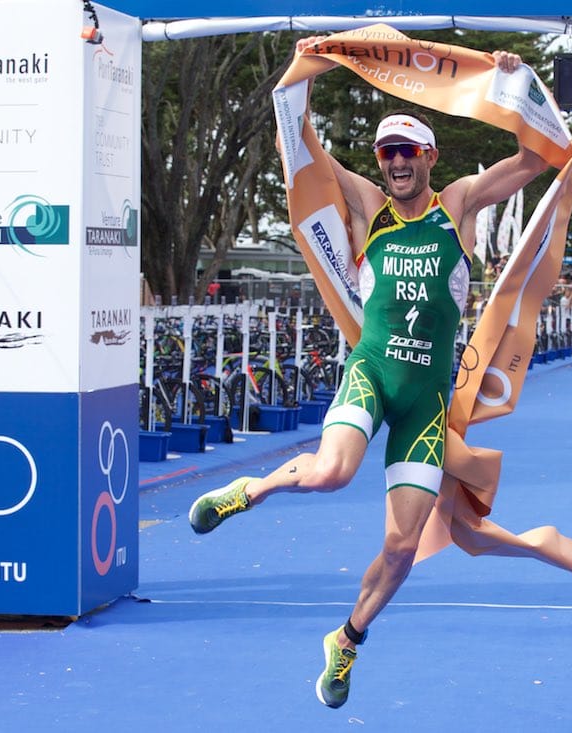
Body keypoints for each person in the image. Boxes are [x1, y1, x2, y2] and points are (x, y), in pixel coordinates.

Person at [187, 38, 549, 710]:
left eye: (409, 150)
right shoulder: (365, 206)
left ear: (430, 158)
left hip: (424, 404)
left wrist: (513, 85)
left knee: (403, 545)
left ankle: (347, 639)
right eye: (387, 152)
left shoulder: (461, 205)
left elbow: (535, 157)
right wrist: (308, 68)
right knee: (330, 472)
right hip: (374, 372)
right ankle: (253, 488)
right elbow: (298, 143)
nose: (397, 161)